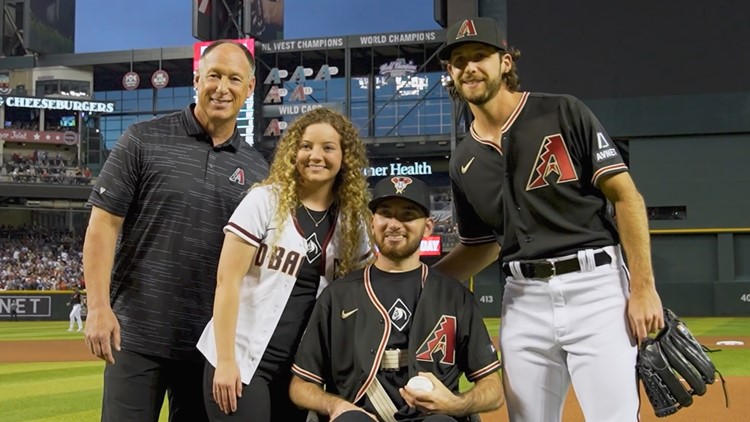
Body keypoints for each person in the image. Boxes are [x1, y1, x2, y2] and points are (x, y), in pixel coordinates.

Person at [434, 17, 665, 421]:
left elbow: (626, 197)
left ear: (505, 63)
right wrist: (420, 281)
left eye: (480, 56)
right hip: (523, 300)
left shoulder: (561, 110)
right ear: (450, 73)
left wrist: (643, 288)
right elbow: (480, 245)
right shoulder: (463, 159)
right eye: (459, 60)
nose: (469, 67)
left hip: (596, 289)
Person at [82, 40, 268, 422]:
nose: (222, 87)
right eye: (214, 75)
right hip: (134, 336)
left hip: (208, 345)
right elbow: (103, 224)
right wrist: (98, 307)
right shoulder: (142, 139)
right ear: (197, 78)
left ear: (249, 89)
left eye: (235, 78)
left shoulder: (258, 169)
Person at [197, 107, 374, 422]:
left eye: (328, 147)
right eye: (306, 146)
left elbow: (361, 296)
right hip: (241, 360)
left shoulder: (353, 223)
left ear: (345, 157)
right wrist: (225, 361)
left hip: (298, 373)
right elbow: (227, 282)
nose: (315, 155)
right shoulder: (265, 201)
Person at [289, 176, 503, 422]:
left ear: (428, 226)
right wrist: (335, 405)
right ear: (372, 222)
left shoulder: (455, 296)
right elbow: (300, 384)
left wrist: (455, 403)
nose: (394, 224)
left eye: (408, 215)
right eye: (385, 214)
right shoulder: (337, 295)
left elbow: (493, 390)